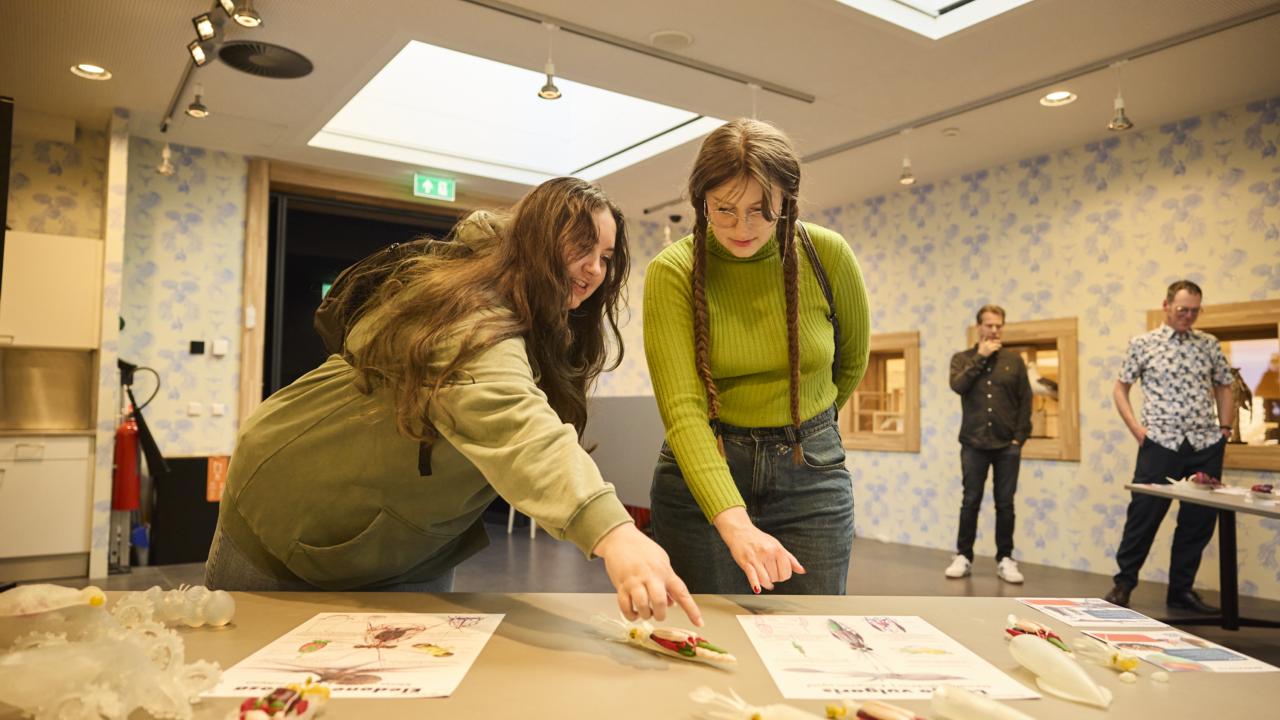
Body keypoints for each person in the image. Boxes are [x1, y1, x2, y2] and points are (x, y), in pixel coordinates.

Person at [206, 177, 700, 626]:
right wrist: (614, 531)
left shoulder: (546, 319)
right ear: (538, 242)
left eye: (607, 256)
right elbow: (517, 423)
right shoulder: (471, 312)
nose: (595, 269)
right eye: (582, 248)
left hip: (406, 544)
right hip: (289, 510)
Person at [643, 118, 870, 595]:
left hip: (811, 475)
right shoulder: (674, 271)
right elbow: (683, 409)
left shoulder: (828, 255)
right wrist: (734, 521)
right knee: (712, 636)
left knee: (813, 636)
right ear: (700, 199)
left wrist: (805, 429)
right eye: (723, 209)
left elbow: (848, 366)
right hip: (705, 469)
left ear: (787, 199)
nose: (741, 227)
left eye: (760, 210)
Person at [1104, 280, 1233, 614]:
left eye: (1194, 310)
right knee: (1144, 515)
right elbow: (1121, 389)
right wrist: (1136, 428)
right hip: (1160, 442)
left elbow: (1224, 385)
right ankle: (1124, 584)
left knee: (1198, 520)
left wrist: (1225, 429)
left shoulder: (1209, 344)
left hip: (1205, 443)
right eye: (1182, 309)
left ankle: (1181, 591)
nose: (1188, 316)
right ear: (1166, 305)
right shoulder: (1143, 344)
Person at [944, 305, 1032, 583]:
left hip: (1008, 445)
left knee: (1005, 504)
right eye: (989, 325)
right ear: (979, 327)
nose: (994, 330)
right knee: (970, 500)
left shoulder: (1014, 361)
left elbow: (1026, 401)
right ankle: (963, 556)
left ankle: (1005, 558)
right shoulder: (962, 358)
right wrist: (980, 358)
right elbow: (957, 386)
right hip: (973, 443)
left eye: (998, 325)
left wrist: (1019, 438)